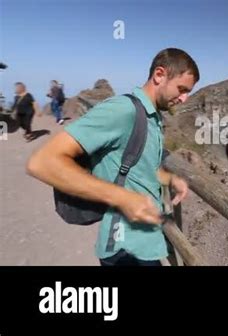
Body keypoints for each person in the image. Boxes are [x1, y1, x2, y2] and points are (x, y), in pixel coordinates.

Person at [27, 48, 199, 266]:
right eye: (181, 89)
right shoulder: (122, 111)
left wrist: (170, 179)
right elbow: (42, 162)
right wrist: (122, 198)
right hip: (124, 249)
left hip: (146, 243)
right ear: (159, 75)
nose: (184, 98)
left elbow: (138, 167)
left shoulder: (152, 117)